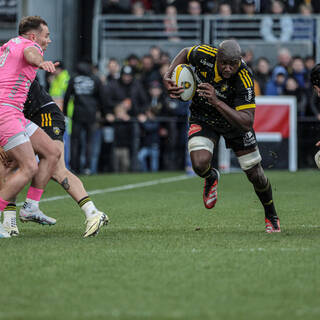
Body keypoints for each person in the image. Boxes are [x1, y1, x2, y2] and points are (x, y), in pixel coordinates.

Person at [163, 40, 281, 233]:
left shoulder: (244, 77)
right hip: (204, 116)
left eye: (232, 64)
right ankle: (211, 177)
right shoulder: (204, 54)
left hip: (235, 123)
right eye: (223, 63)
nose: (228, 68)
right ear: (217, 57)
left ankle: (271, 215)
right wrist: (167, 75)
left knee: (255, 175)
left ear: (239, 61)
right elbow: (185, 52)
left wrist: (216, 101)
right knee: (200, 164)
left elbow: (246, 121)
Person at [0, 79, 109, 238]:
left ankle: (91, 212)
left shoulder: (10, 60)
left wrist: (38, 58)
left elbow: (29, 59)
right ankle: (10, 223)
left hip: (43, 114)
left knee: (57, 169)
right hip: (19, 118)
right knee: (7, 163)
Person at [0, 16, 61, 239]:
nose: (49, 40)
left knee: (52, 151)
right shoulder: (30, 46)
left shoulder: (8, 45)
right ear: (34, 36)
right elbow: (31, 54)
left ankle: (30, 208)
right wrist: (40, 62)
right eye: (46, 36)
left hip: (13, 112)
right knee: (28, 167)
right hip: (6, 112)